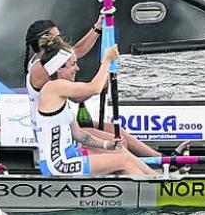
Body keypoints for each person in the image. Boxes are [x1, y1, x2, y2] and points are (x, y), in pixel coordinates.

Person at [23, 17, 164, 158]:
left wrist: (97, 27)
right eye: (58, 37)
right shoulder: (40, 69)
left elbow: (74, 56)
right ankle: (141, 168)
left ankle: (161, 158)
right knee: (119, 144)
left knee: (115, 131)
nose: (61, 41)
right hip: (56, 135)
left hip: (64, 123)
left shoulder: (44, 61)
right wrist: (105, 65)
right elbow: (75, 55)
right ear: (45, 42)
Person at [33, 35, 155, 176]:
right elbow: (95, 88)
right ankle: (156, 188)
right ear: (59, 69)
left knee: (122, 153)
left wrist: (106, 145)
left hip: (71, 154)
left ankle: (159, 178)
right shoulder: (55, 87)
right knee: (122, 161)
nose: (77, 69)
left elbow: (79, 134)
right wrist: (107, 60)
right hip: (59, 164)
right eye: (73, 64)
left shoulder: (59, 96)